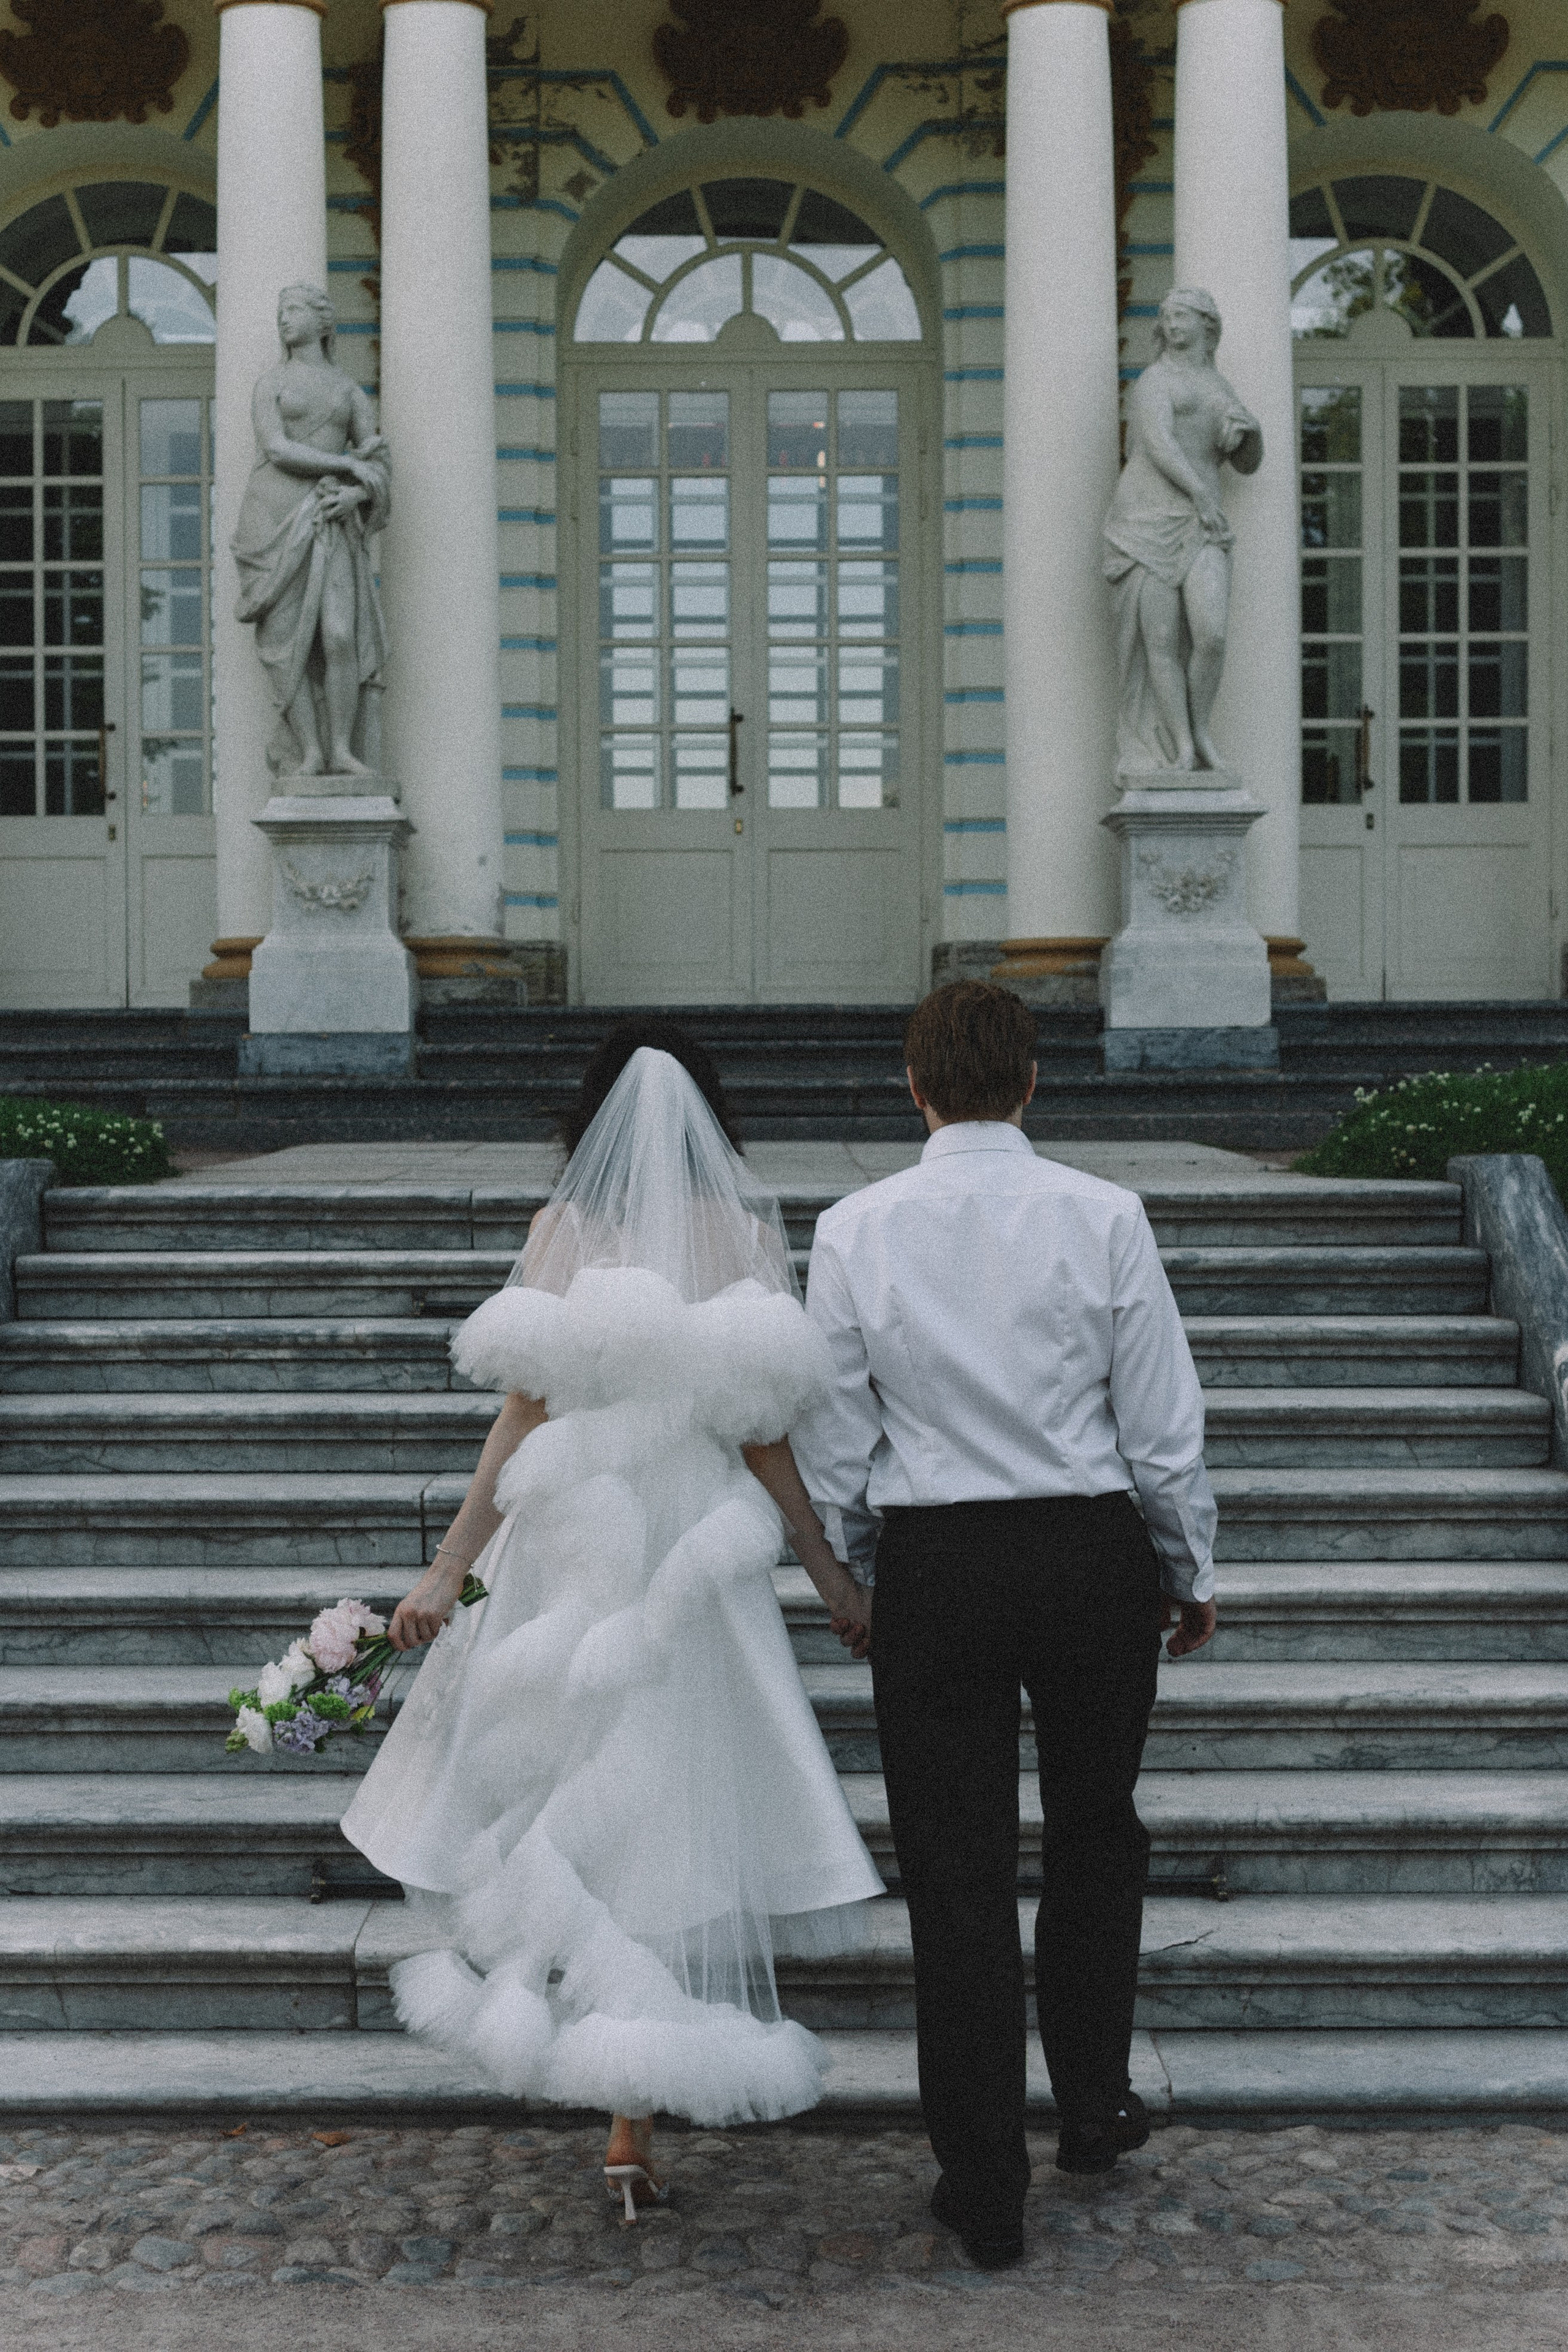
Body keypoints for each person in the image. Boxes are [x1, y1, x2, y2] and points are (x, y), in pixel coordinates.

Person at [341, 1020, 880, 2215]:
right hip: (686, 1540)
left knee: (569, 1787)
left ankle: (606, 2074)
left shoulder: (564, 1230)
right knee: (670, 1803)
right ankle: (631, 2109)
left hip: (576, 1537)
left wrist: (449, 1568)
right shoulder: (741, 1233)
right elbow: (763, 1436)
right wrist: (829, 1575)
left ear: (586, 1124)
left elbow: (523, 1413)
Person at [793, 981, 1218, 2268]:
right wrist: (1186, 1562)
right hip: (1087, 1553)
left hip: (940, 1563)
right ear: (1032, 1082)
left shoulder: (855, 1228)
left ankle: (983, 2182)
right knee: (1096, 1835)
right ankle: (1090, 2110)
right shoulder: (1104, 1215)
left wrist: (856, 1576)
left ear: (914, 1089)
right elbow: (1158, 1418)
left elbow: (834, 1432)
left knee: (956, 1871)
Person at [232, 282, 390, 778]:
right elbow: (276, 449)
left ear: (323, 322)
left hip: (330, 517)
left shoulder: (348, 391)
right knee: (284, 644)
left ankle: (341, 749)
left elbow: (378, 463)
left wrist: (357, 495)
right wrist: (345, 465)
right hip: (271, 517)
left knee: (339, 635)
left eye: (295, 310)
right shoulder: (270, 384)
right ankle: (311, 752)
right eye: (281, 311)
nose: (284, 319)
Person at [1102, 285, 1262, 774]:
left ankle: (1201, 730)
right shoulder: (1155, 380)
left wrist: (1251, 434)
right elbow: (1158, 444)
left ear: (1206, 325)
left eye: (1182, 316)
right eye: (1167, 317)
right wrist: (1200, 495)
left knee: (1211, 635)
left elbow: (1246, 464)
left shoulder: (1219, 385)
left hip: (1201, 521)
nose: (1172, 325)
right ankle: (1184, 747)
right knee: (1161, 642)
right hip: (1146, 518)